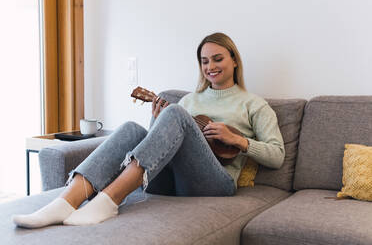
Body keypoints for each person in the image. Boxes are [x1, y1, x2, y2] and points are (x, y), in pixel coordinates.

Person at [12, 32, 285, 228]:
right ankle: (64, 202)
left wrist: (237, 139)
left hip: (216, 183)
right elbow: (161, 148)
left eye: (217, 59)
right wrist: (157, 121)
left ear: (234, 60)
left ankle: (108, 202)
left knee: (175, 111)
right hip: (170, 182)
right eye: (204, 61)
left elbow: (277, 155)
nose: (210, 67)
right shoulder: (189, 100)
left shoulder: (253, 104)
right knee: (132, 127)